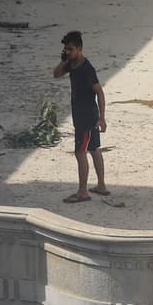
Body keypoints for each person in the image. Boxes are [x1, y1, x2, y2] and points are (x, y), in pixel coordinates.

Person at [54, 31, 108, 203]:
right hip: (82, 116)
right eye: (66, 49)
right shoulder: (71, 63)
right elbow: (56, 74)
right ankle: (101, 186)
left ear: (80, 48)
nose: (68, 52)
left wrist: (102, 117)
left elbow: (99, 92)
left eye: (70, 49)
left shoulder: (86, 69)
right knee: (94, 150)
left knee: (80, 152)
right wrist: (63, 59)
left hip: (86, 118)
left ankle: (83, 192)